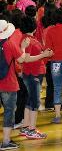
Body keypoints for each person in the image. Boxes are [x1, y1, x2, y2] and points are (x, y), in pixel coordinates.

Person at [19, 16, 53, 140]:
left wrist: (44, 54)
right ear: (33, 27)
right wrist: (43, 55)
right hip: (33, 74)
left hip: (31, 73)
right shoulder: (29, 40)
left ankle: (25, 126)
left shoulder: (26, 39)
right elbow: (27, 59)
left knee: (29, 100)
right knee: (34, 102)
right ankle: (32, 130)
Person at [0, 20, 29, 150]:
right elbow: (21, 59)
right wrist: (23, 47)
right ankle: (6, 141)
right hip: (8, 82)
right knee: (9, 111)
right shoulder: (9, 44)